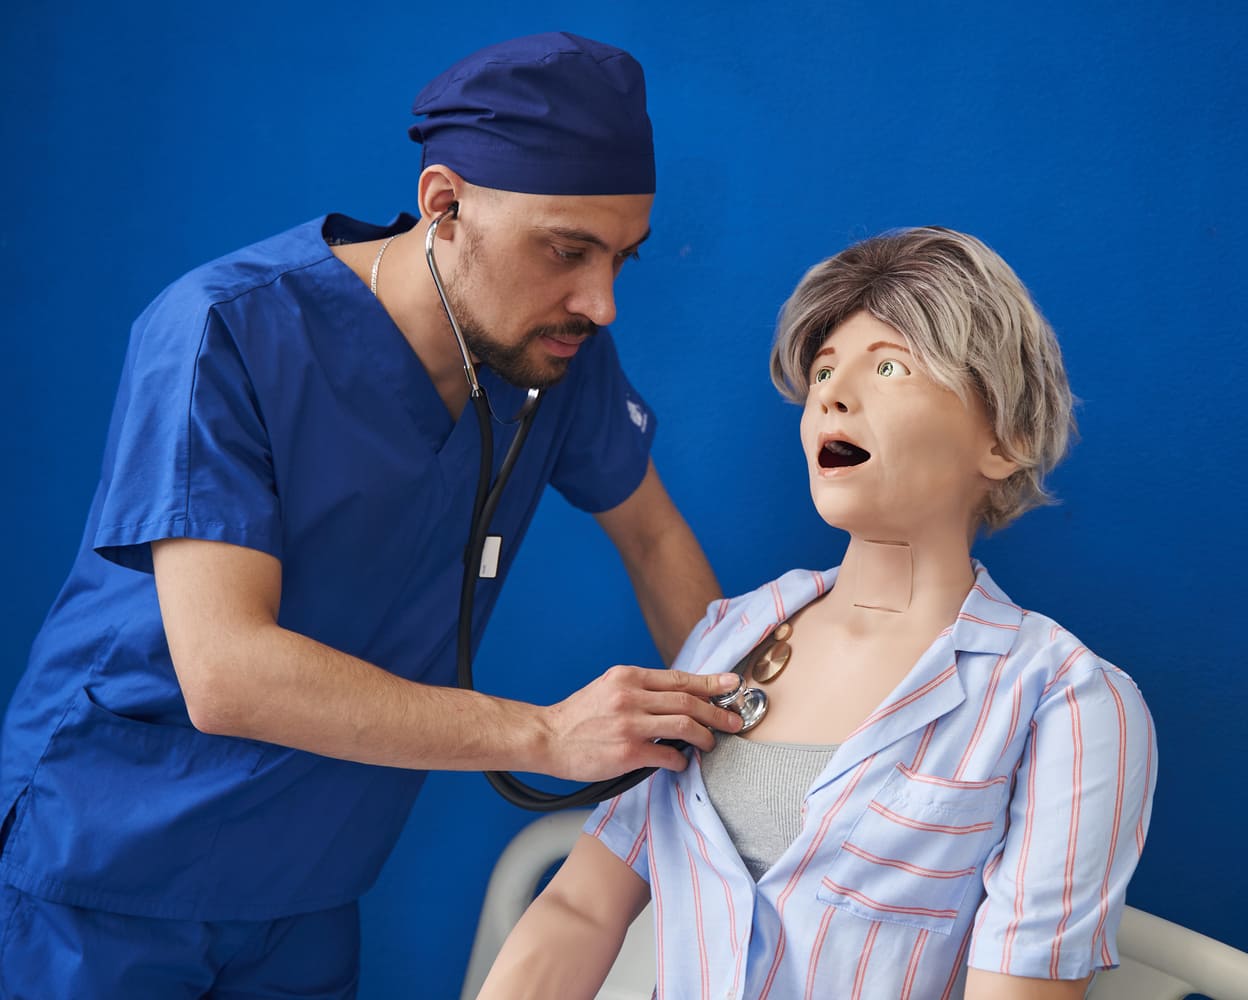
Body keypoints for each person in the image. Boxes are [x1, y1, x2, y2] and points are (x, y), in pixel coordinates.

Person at [0, 32, 744, 998]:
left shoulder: (552, 355)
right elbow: (227, 673)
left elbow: (652, 537)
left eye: (620, 259)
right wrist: (545, 735)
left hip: (309, 886)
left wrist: (743, 737)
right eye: (566, 251)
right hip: (108, 867)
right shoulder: (226, 331)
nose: (599, 303)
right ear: (444, 202)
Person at [481, 227, 1158, 999]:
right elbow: (578, 906)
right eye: (825, 370)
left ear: (1004, 441)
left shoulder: (1064, 701)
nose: (831, 393)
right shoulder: (729, 635)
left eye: (892, 367)